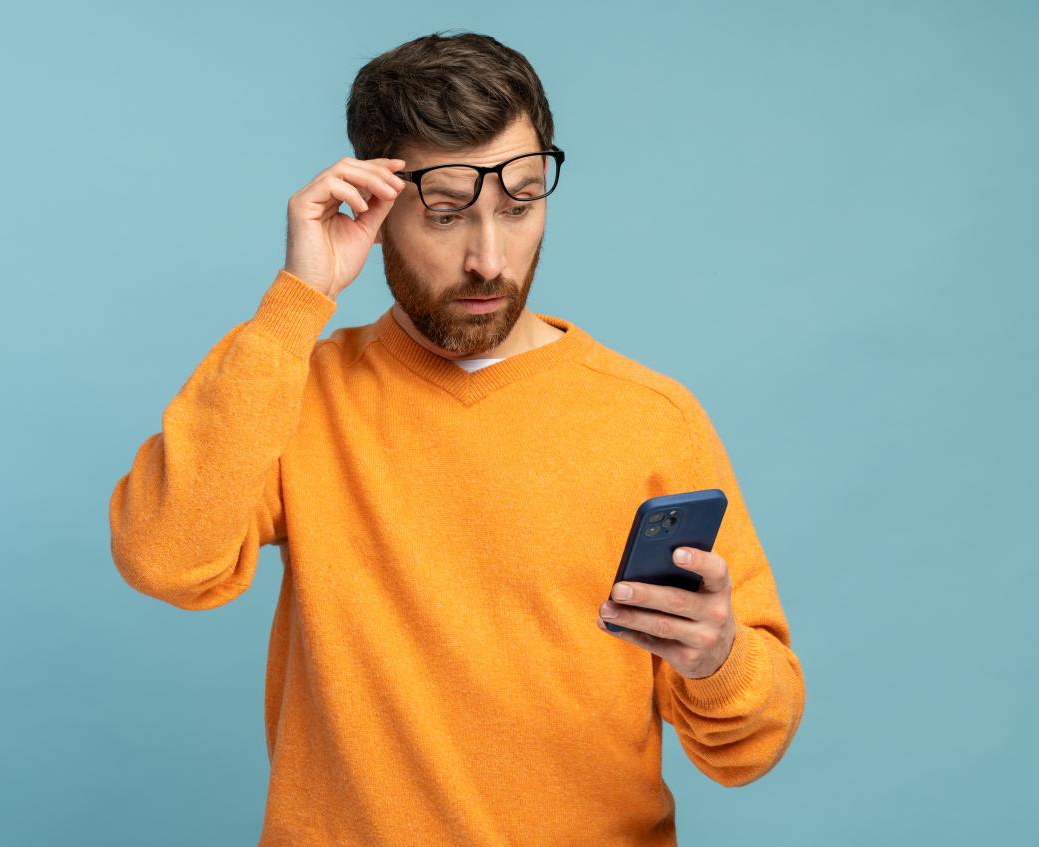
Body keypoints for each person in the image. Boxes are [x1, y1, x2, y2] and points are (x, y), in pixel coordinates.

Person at [108, 29, 805, 846]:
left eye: (519, 208)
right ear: (371, 204)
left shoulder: (651, 417)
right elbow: (165, 556)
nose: (488, 258)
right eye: (445, 214)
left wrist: (715, 658)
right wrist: (298, 297)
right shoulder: (300, 388)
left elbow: (751, 746)